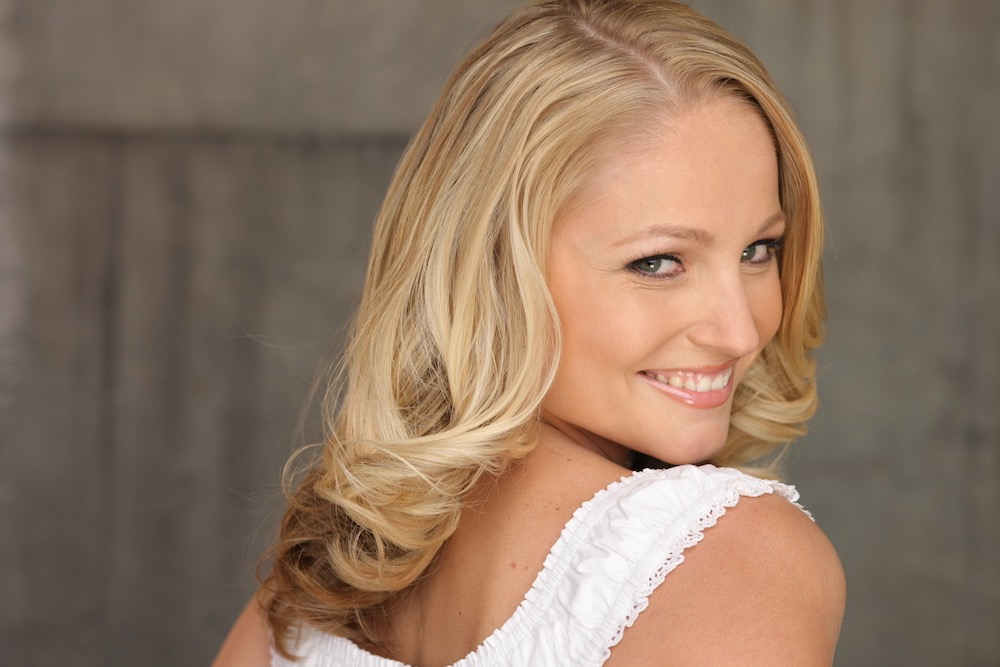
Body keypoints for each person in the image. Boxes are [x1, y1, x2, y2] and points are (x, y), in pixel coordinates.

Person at [214, 0, 845, 664]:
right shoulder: (732, 557)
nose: (739, 331)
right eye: (657, 262)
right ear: (492, 270)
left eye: (759, 250)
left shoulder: (316, 581)